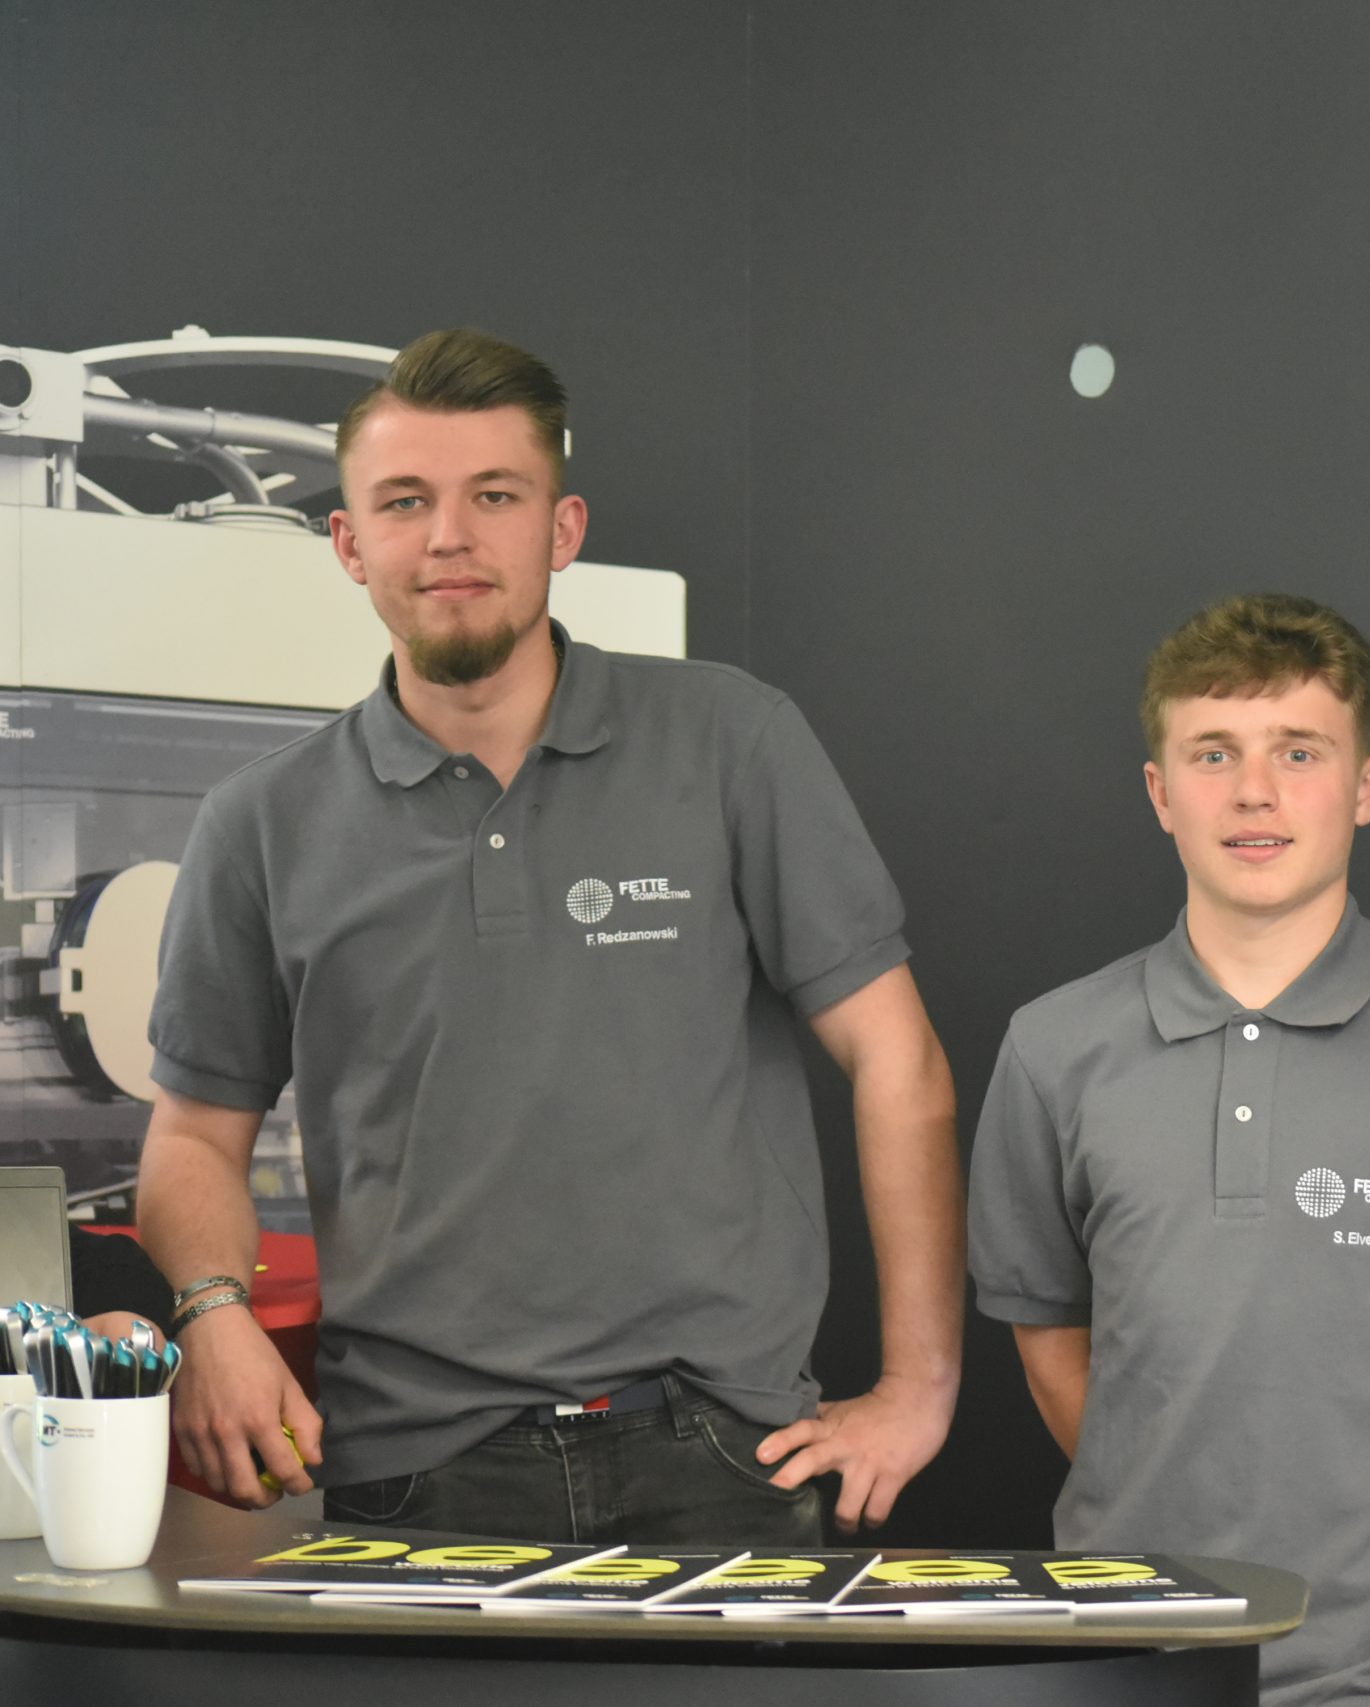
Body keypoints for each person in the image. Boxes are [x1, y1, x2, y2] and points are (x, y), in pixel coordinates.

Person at [136, 329, 962, 1545]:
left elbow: (899, 1061)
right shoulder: (261, 823)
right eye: (405, 502)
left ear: (562, 530)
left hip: (726, 1452)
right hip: (417, 1470)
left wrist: (919, 1385)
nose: (449, 537)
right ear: (350, 544)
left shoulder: (730, 741)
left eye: (495, 496)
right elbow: (192, 1140)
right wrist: (214, 1317)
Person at [969, 594, 1370, 1707]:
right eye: (1213, 753)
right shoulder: (1053, 1047)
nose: (1254, 791)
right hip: (1133, 1658)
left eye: (1298, 751)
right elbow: (1052, 1337)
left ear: (1366, 785)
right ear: (1161, 792)